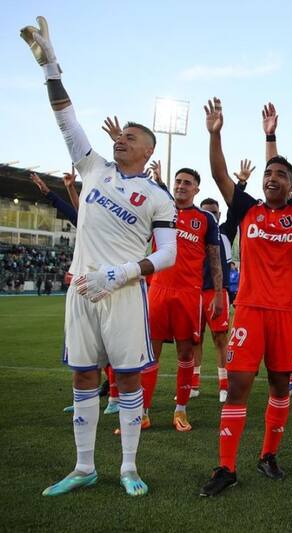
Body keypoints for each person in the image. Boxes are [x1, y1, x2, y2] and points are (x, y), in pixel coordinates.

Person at [22, 16, 177, 496]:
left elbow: (169, 254)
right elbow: (66, 120)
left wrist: (121, 272)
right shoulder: (92, 168)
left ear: (148, 151)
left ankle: (129, 467)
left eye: (131, 138)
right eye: (120, 136)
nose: (120, 140)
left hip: (125, 292)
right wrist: (51, 67)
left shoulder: (157, 196)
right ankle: (84, 466)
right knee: (84, 376)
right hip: (81, 290)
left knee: (128, 379)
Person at [199, 98, 292, 497]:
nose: (273, 177)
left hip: (287, 315)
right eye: (269, 173)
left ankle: (268, 454)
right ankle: (226, 467)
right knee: (238, 386)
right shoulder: (247, 209)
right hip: (251, 313)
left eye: (281, 175)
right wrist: (215, 134)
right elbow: (220, 174)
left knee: (278, 387)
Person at [142, 167, 223, 432]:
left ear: (196, 189)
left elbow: (214, 259)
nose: (181, 186)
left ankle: (181, 411)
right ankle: (142, 412)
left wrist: (219, 293)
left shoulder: (206, 219)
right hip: (158, 289)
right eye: (178, 181)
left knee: (186, 354)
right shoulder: (161, 209)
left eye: (188, 182)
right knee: (150, 352)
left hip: (189, 294)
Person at [193, 197, 232, 403]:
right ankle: (194, 384)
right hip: (195, 291)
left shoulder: (225, 232)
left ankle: (224, 385)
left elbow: (235, 210)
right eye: (206, 212)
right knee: (194, 339)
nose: (211, 215)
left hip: (216, 292)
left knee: (220, 338)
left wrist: (241, 185)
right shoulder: (195, 232)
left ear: (219, 215)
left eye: (214, 212)